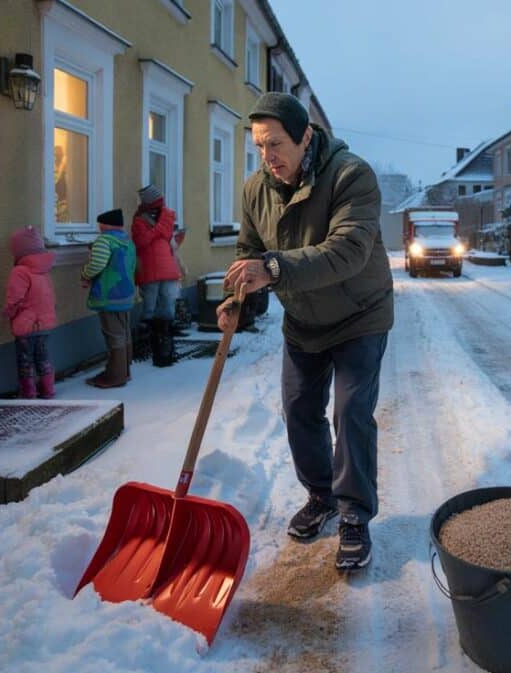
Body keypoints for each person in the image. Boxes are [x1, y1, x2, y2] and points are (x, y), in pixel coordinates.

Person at [218, 92, 392, 571]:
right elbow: (247, 250)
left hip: (360, 313)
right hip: (304, 318)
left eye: (275, 144)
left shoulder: (351, 175)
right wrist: (236, 299)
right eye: (258, 146)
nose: (267, 156)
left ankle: (355, 514)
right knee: (299, 408)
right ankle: (322, 495)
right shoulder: (257, 188)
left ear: (306, 137)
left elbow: (348, 251)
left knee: (352, 411)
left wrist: (272, 268)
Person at [82, 208, 137, 388]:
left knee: (113, 334)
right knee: (124, 332)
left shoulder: (104, 241)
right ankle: (125, 370)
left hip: (109, 295)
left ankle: (115, 376)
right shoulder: (127, 242)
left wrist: (85, 274)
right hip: (126, 294)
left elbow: (97, 264)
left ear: (103, 225)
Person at [132, 184, 186, 367]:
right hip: (150, 268)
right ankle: (150, 343)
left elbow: (158, 237)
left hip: (165, 267)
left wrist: (159, 232)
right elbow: (141, 241)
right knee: (150, 306)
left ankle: (164, 342)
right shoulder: (140, 219)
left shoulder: (165, 216)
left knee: (166, 305)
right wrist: (158, 231)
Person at [4, 227, 58, 399]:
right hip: (44, 324)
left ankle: (28, 392)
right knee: (43, 357)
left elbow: (15, 298)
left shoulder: (20, 271)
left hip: (26, 325)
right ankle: (48, 389)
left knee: (25, 359)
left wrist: (8, 312)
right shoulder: (43, 271)